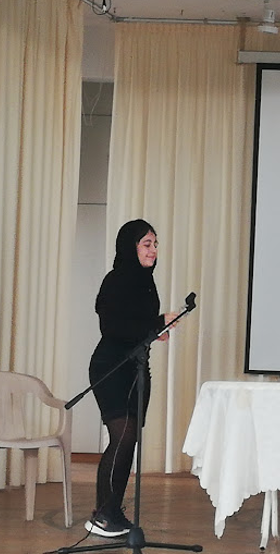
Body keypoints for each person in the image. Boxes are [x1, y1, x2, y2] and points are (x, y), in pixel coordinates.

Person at [85, 219, 180, 537]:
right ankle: (102, 515)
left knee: (130, 439)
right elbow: (112, 327)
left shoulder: (146, 282)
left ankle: (111, 511)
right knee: (122, 437)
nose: (153, 250)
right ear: (130, 247)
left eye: (155, 244)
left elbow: (137, 326)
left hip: (137, 368)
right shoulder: (115, 280)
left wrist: (155, 331)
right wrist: (156, 323)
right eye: (146, 244)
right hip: (111, 367)